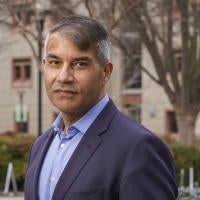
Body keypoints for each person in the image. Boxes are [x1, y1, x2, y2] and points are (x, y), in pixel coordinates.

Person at [24, 15, 178, 200]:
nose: (64, 77)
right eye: (55, 63)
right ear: (44, 66)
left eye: (80, 64)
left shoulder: (138, 148)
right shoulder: (40, 146)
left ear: (106, 72)